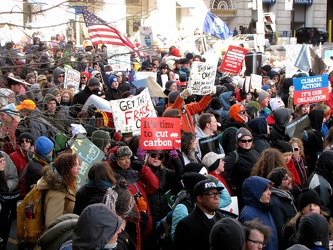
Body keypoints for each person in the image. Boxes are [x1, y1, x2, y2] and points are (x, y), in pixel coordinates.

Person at [110, 146, 159, 239]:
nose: (127, 161)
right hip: (132, 227)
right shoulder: (114, 178)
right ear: (116, 161)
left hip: (146, 221)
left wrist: (142, 168)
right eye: (122, 159)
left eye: (128, 157)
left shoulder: (135, 172)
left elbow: (154, 186)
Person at [174, 180, 226, 250]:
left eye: (217, 193)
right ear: (200, 198)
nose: (216, 197)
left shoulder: (220, 215)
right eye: (211, 194)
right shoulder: (186, 225)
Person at [36, 152, 80, 227]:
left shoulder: (66, 183)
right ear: (66, 169)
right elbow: (52, 225)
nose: (79, 168)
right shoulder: (57, 194)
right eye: (75, 165)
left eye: (79, 164)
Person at [224, 127, 260, 210]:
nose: (247, 143)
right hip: (242, 196)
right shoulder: (234, 156)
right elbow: (221, 168)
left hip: (256, 192)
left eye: (249, 140)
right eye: (243, 141)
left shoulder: (255, 153)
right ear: (238, 142)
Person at [239, 176, 278, 250]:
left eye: (269, 189)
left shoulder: (265, 209)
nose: (270, 193)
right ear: (256, 192)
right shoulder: (247, 215)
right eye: (265, 190)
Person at [268, 167, 297, 249]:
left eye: (288, 177)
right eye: (285, 178)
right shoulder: (275, 202)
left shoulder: (288, 197)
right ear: (277, 183)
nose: (290, 179)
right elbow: (279, 229)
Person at [9, 132, 34, 198]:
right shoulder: (13, 156)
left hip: (33, 192)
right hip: (19, 193)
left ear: (31, 143)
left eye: (28, 141)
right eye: (22, 141)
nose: (25, 143)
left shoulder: (36, 156)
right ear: (19, 143)